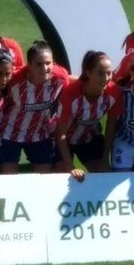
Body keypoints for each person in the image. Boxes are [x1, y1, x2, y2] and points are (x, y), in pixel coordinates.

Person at [0, 41, 70, 175]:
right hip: (10, 132)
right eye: (38, 64)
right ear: (29, 65)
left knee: (44, 179)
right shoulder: (13, 80)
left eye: (48, 63)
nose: (44, 68)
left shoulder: (60, 78)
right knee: (8, 179)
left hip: (39, 132)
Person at [55, 51, 119, 179]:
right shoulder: (71, 94)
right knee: (61, 176)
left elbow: (110, 128)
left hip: (90, 138)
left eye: (109, 73)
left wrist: (105, 158)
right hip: (64, 140)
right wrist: (69, 166)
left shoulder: (114, 93)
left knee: (104, 174)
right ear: (88, 73)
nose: (106, 78)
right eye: (101, 73)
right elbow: (60, 133)